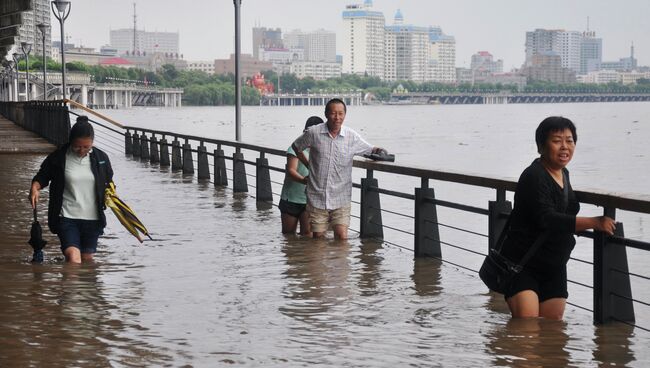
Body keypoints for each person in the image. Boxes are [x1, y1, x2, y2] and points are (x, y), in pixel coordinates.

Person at [500, 116, 616, 320]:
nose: (565, 147)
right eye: (556, 141)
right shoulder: (533, 175)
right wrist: (594, 223)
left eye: (569, 141)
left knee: (552, 334)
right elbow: (547, 218)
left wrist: (575, 227)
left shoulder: (564, 174)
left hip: (554, 266)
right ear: (541, 146)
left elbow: (564, 214)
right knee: (526, 332)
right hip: (524, 264)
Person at [292, 98, 386, 239]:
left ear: (345, 115)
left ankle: (340, 261)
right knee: (318, 238)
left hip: (341, 196)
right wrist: (309, 165)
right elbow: (296, 147)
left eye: (341, 114)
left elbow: (369, 148)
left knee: (342, 237)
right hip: (317, 195)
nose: (337, 117)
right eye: (333, 113)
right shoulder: (313, 133)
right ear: (326, 114)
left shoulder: (351, 136)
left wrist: (380, 150)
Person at [29, 116, 114, 264]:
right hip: (66, 217)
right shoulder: (58, 157)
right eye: (77, 146)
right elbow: (42, 176)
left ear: (92, 142)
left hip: (93, 219)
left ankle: (79, 287)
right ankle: (69, 287)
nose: (81, 150)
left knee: (87, 261)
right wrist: (34, 188)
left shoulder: (101, 158)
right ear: (70, 142)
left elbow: (109, 182)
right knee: (73, 258)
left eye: (86, 147)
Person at [279, 116, 323, 236]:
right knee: (288, 235)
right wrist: (305, 181)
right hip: (291, 198)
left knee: (307, 235)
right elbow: (291, 170)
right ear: (305, 132)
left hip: (310, 200)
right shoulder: (296, 148)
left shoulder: (322, 151)